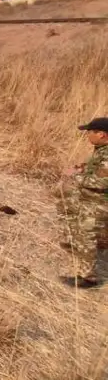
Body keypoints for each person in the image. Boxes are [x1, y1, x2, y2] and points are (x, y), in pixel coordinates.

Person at [57, 117, 108, 289]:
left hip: (100, 203)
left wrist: (76, 178)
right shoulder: (101, 149)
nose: (87, 135)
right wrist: (78, 168)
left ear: (101, 134)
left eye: (90, 132)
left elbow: (101, 182)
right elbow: (93, 167)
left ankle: (88, 279)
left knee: (87, 235)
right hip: (93, 200)